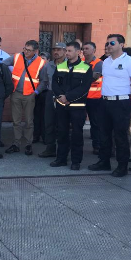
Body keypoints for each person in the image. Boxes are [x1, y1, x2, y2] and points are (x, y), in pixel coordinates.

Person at [88, 34, 131, 177]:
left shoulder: (130, 62)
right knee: (103, 133)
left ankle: (122, 166)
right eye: (107, 43)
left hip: (121, 102)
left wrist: (122, 93)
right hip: (105, 101)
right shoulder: (105, 62)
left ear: (121, 44)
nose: (108, 46)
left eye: (112, 43)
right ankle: (104, 161)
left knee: (120, 135)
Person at [50, 42, 92, 170]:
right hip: (62, 105)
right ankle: (61, 159)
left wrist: (68, 97)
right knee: (62, 133)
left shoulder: (86, 67)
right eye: (66, 51)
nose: (66, 53)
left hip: (77, 107)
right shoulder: (61, 66)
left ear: (78, 52)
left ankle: (76, 161)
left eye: (69, 51)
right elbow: (55, 83)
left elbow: (84, 88)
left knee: (77, 135)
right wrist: (61, 97)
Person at [3, 40, 48, 155]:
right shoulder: (17, 57)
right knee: (16, 121)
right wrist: (8, 81)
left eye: (28, 50)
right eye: (25, 48)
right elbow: (3, 65)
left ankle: (28, 144)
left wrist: (36, 92)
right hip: (16, 93)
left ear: (35, 51)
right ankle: (16, 143)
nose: (26, 51)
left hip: (30, 95)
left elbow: (44, 81)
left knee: (28, 121)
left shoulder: (41, 62)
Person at [38, 42, 66, 158]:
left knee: (63, 124)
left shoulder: (69, 65)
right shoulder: (48, 65)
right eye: (54, 49)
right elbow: (44, 82)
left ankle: (63, 150)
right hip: (50, 94)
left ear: (65, 51)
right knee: (48, 122)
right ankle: (50, 148)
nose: (56, 52)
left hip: (64, 96)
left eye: (59, 50)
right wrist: (35, 92)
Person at [82, 42, 103, 155]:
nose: (84, 50)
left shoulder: (99, 63)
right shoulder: (80, 62)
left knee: (95, 123)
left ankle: (97, 145)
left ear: (94, 50)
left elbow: (93, 77)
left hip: (95, 99)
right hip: (81, 97)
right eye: (83, 48)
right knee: (78, 122)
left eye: (87, 48)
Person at [33, 52, 50, 144]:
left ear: (48, 60)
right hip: (37, 94)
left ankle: (45, 137)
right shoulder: (36, 68)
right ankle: (36, 135)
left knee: (45, 117)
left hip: (46, 93)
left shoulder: (50, 68)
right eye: (40, 58)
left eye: (43, 58)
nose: (41, 61)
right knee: (36, 116)